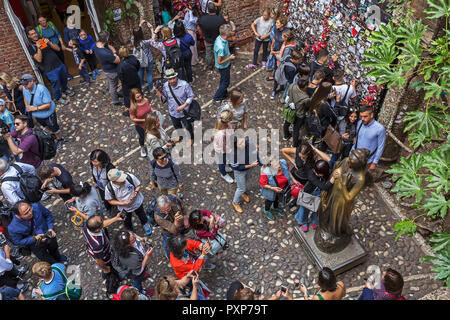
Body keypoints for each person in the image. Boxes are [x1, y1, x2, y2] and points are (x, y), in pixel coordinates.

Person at [25, 27, 75, 106]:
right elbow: (39, 59)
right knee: (55, 83)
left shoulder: (43, 39)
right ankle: (58, 97)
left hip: (58, 63)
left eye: (35, 33)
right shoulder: (31, 46)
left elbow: (58, 49)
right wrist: (38, 47)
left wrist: (50, 43)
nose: (34, 35)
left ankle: (65, 89)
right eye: (32, 34)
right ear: (29, 36)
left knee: (64, 77)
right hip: (49, 69)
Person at [19, 74, 65, 149]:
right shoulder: (25, 89)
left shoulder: (41, 89)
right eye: (23, 85)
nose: (25, 86)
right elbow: (25, 97)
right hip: (38, 115)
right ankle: (52, 136)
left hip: (48, 114)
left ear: (32, 81)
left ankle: (60, 139)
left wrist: (35, 108)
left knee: (54, 127)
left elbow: (48, 104)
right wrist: (27, 106)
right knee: (45, 126)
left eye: (26, 84)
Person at [294, 159, 340, 232]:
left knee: (316, 209)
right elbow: (323, 186)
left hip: (318, 193)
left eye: (318, 173)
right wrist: (333, 178)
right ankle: (303, 222)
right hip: (308, 192)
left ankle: (314, 220)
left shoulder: (326, 172)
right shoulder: (311, 174)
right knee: (304, 209)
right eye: (315, 171)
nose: (316, 174)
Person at [154, 68, 195, 147]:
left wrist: (184, 106)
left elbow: (191, 96)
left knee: (188, 126)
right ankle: (180, 136)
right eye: (170, 79)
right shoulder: (166, 86)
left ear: (176, 77)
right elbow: (164, 98)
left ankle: (191, 139)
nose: (172, 81)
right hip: (173, 112)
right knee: (177, 126)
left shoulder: (184, 85)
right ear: (167, 80)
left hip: (184, 112)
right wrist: (157, 91)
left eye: (173, 78)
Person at [105, 168, 151, 234]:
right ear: (114, 182)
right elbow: (110, 200)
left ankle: (145, 223)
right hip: (124, 208)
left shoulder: (129, 177)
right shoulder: (109, 189)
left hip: (136, 202)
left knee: (141, 214)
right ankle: (129, 231)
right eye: (120, 180)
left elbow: (138, 185)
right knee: (126, 220)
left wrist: (135, 193)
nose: (123, 180)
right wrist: (122, 203)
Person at [82, 214, 123, 280]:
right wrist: (106, 268)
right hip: (106, 257)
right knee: (111, 267)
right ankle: (114, 276)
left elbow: (102, 224)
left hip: (106, 248)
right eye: (101, 221)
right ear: (97, 230)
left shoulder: (86, 227)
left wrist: (115, 218)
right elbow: (98, 260)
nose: (103, 220)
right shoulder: (97, 245)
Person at [113, 230, 154, 296]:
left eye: (131, 234)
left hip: (138, 263)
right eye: (132, 239)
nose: (133, 235)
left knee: (142, 274)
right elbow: (138, 271)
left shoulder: (124, 238)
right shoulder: (131, 258)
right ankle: (140, 292)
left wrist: (141, 239)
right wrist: (147, 256)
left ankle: (143, 276)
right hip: (135, 272)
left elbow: (132, 234)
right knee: (137, 280)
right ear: (127, 245)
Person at [352, 104, 386, 173]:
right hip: (354, 156)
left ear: (371, 115)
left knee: (360, 178)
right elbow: (357, 137)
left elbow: (380, 146)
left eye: (365, 116)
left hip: (367, 160)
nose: (362, 119)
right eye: (361, 116)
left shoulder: (379, 129)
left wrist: (374, 162)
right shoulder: (359, 123)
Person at [230, 137, 261, 213]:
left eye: (243, 141)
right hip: (240, 171)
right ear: (235, 145)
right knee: (241, 188)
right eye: (240, 143)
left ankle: (242, 193)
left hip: (249, 168)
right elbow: (237, 167)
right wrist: (251, 165)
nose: (243, 144)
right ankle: (235, 202)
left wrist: (260, 162)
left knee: (245, 181)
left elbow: (255, 153)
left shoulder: (249, 143)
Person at [130, 88, 162, 158]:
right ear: (134, 98)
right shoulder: (133, 107)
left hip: (149, 122)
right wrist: (143, 120)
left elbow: (149, 108)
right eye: (138, 97)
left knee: (153, 134)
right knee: (142, 137)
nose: (140, 98)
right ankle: (142, 148)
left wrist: (152, 111)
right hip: (140, 125)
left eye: (141, 95)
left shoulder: (146, 100)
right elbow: (132, 118)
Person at [305, 82, 337, 150]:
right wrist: (338, 102)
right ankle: (315, 149)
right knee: (319, 139)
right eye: (330, 90)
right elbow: (334, 116)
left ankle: (311, 143)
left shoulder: (315, 96)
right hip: (321, 125)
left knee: (313, 136)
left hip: (312, 122)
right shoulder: (324, 104)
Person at [94, 31, 122, 107]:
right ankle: (115, 101)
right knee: (114, 86)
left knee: (111, 83)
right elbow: (117, 60)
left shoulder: (96, 44)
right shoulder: (105, 53)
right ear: (106, 39)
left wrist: (111, 49)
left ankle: (115, 94)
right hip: (112, 71)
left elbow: (108, 45)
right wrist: (114, 52)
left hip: (106, 69)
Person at [282, 76, 311, 147]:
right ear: (305, 86)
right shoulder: (306, 97)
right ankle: (294, 144)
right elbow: (307, 106)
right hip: (299, 114)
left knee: (287, 123)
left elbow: (288, 94)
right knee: (296, 129)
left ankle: (286, 136)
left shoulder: (292, 86)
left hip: (290, 110)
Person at [197, 3, 226, 71]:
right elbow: (225, 28)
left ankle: (209, 67)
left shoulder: (203, 19)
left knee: (208, 53)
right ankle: (218, 67)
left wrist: (202, 35)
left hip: (207, 38)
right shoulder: (220, 19)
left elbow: (198, 28)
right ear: (215, 9)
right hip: (218, 39)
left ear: (208, 10)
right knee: (218, 53)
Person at [271, 29, 297, 100]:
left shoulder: (288, 48)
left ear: (286, 38)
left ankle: (274, 91)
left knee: (277, 77)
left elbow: (283, 59)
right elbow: (282, 51)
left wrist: (276, 56)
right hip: (281, 63)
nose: (281, 36)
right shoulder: (286, 43)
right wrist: (277, 52)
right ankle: (281, 88)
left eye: (282, 36)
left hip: (281, 65)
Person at [213, 24, 235, 103]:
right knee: (226, 82)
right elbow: (219, 61)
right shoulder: (221, 47)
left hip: (225, 65)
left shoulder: (220, 38)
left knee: (223, 80)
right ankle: (217, 97)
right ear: (226, 33)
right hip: (223, 66)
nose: (231, 32)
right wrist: (229, 58)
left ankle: (224, 94)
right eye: (229, 31)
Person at [118, 47, 141, 116]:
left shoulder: (121, 65)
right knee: (138, 93)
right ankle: (140, 105)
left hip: (127, 84)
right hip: (136, 80)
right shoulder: (133, 58)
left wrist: (124, 81)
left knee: (128, 97)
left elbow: (120, 76)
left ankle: (131, 111)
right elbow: (138, 66)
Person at [132, 22, 155, 91]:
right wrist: (151, 29)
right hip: (148, 60)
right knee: (149, 74)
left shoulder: (133, 40)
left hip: (139, 60)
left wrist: (140, 25)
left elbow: (136, 34)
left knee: (140, 73)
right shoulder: (145, 42)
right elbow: (152, 39)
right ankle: (151, 89)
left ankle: (142, 85)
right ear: (141, 34)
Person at [214, 110, 234, 184]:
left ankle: (225, 167)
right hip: (222, 150)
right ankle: (223, 174)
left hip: (227, 147)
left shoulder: (228, 124)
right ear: (228, 120)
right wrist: (225, 153)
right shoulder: (221, 134)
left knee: (225, 160)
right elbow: (222, 146)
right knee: (222, 162)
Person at [266, 16, 289, 81]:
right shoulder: (276, 29)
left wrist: (277, 52)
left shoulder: (286, 31)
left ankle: (277, 77)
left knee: (280, 64)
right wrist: (272, 48)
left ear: (282, 25)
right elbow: (274, 38)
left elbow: (286, 44)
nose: (275, 24)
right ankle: (274, 75)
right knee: (275, 62)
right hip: (276, 48)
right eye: (276, 22)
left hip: (282, 50)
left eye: (277, 23)